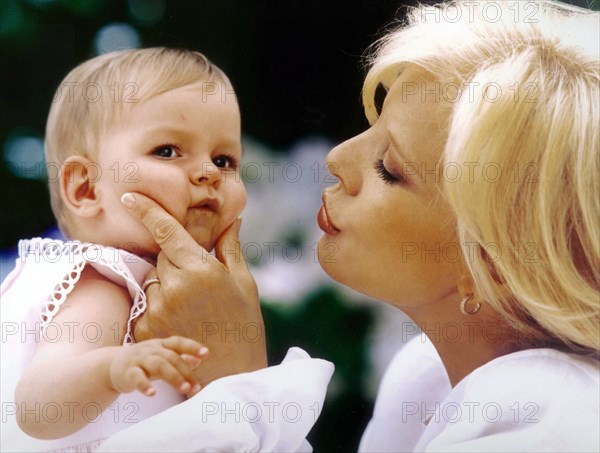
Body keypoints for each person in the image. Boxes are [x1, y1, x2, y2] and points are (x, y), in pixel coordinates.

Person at [119, 1, 599, 451]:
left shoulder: (548, 418)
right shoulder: (427, 372)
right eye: (373, 127)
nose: (338, 158)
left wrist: (235, 386)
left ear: (493, 263)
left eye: (389, 168)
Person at [1, 47, 332, 452]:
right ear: (85, 188)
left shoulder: (165, 288)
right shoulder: (102, 282)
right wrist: (112, 369)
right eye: (168, 151)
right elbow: (38, 408)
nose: (209, 173)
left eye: (225, 159)